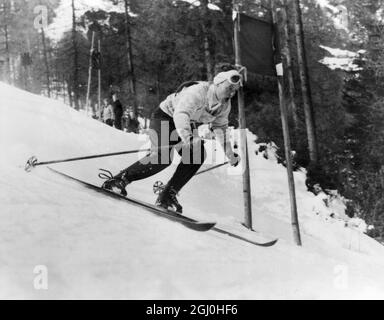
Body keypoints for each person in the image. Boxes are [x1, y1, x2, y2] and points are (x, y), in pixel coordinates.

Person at [101, 69, 242, 213]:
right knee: (162, 158)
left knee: (196, 155)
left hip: (185, 124)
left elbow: (221, 128)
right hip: (165, 117)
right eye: (229, 88)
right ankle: (119, 180)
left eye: (234, 90)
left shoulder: (224, 105)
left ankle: (167, 195)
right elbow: (181, 114)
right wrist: (189, 138)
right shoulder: (198, 92)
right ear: (217, 84)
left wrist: (230, 155)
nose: (231, 93)